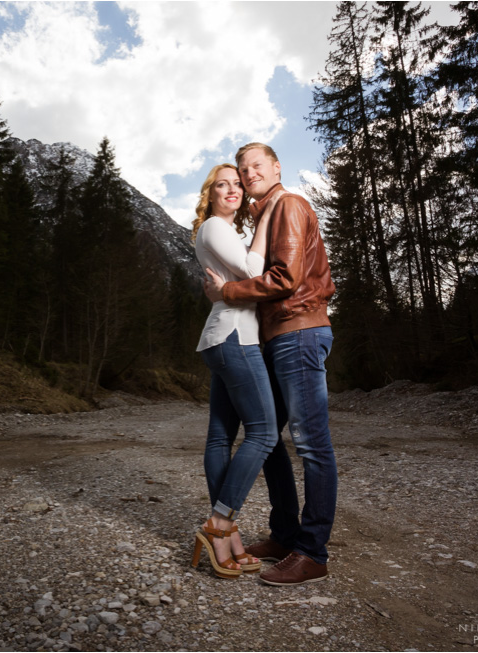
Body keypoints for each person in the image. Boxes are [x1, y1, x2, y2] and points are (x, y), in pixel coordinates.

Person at [204, 142, 337, 586]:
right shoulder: (266, 214)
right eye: (243, 169)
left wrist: (228, 293)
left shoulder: (289, 204)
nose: (248, 174)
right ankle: (284, 534)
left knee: (311, 445)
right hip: (279, 334)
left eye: (256, 166)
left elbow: (286, 278)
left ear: (276, 167)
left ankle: (311, 551)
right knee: (269, 438)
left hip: (298, 330)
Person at [189, 163, 280, 579]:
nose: (231, 190)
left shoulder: (222, 231)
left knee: (221, 437)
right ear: (210, 195)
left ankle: (227, 536)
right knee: (263, 431)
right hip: (234, 338)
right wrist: (263, 222)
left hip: (222, 337)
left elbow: (240, 275)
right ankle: (219, 523)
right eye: (222, 185)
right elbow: (254, 273)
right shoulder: (215, 227)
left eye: (236, 185)